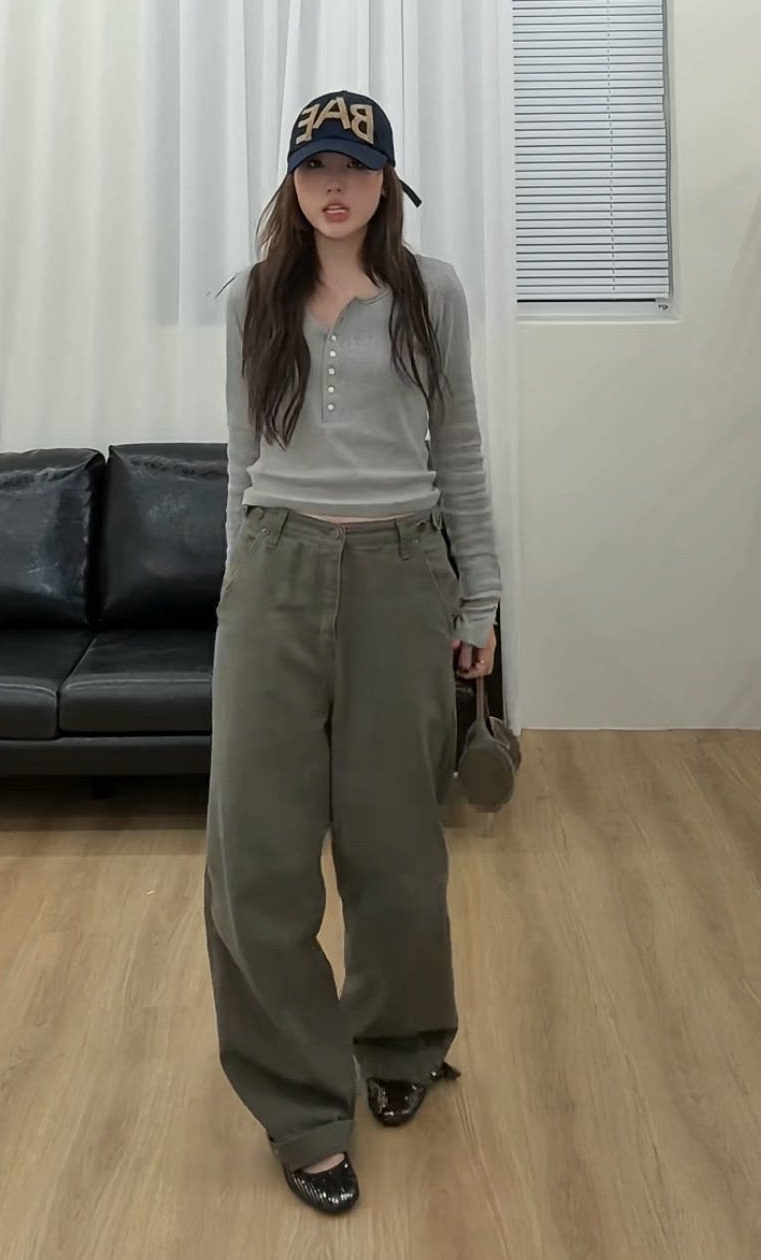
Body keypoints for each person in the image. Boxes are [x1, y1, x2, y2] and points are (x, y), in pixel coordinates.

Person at [203, 88, 502, 1216]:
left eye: (357, 167)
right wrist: (236, 595)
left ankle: (401, 1038)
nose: (336, 186)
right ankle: (301, 1105)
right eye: (316, 166)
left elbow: (459, 449)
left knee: (395, 843)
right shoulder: (252, 299)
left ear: (388, 183)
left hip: (401, 571)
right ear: (292, 181)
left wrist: (480, 603)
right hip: (275, 569)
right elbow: (240, 462)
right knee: (257, 857)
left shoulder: (434, 293)